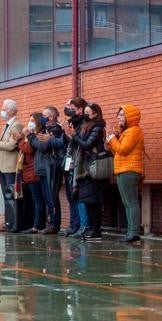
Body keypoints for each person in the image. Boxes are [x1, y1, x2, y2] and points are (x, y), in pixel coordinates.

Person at [107, 105, 145, 244]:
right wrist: (112, 140)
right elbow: (117, 151)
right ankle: (131, 232)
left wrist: (112, 139)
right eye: (119, 115)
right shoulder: (128, 132)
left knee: (131, 202)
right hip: (124, 169)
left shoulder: (133, 131)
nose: (119, 117)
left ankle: (133, 232)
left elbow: (123, 150)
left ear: (130, 117)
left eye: (122, 115)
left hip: (129, 170)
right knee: (127, 202)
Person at [72, 103, 108, 242]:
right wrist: (73, 136)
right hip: (85, 167)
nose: (86, 115)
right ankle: (92, 228)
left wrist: (74, 136)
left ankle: (96, 229)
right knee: (88, 200)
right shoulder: (84, 126)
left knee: (94, 201)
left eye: (88, 112)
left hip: (93, 167)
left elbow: (87, 144)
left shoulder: (98, 127)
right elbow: (79, 143)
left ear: (95, 113)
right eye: (85, 112)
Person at [0, 99, 22, 232]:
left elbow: (11, 145)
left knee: (12, 196)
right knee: (6, 196)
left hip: (10, 166)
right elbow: (2, 144)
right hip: (2, 165)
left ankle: (14, 223)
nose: (2, 111)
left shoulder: (16, 125)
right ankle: (8, 222)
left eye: (4, 108)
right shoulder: (5, 125)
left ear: (12, 111)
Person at [35, 107, 67, 235]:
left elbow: (43, 146)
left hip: (52, 167)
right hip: (44, 167)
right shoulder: (44, 130)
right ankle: (51, 223)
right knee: (47, 197)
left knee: (51, 196)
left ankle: (54, 223)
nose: (42, 117)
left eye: (44, 115)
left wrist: (32, 137)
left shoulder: (56, 130)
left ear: (51, 117)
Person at [61, 98, 89, 236]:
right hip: (69, 160)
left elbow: (81, 142)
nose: (68, 108)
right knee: (70, 195)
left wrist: (72, 135)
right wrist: (65, 134)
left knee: (76, 194)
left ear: (79, 109)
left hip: (78, 162)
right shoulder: (72, 123)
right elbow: (67, 142)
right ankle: (74, 224)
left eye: (71, 106)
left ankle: (80, 225)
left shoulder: (83, 123)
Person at [18, 114, 49, 234]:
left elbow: (28, 149)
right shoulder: (31, 136)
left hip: (34, 171)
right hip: (29, 171)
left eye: (32, 120)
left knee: (38, 200)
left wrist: (20, 141)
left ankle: (37, 225)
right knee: (35, 200)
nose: (29, 122)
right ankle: (35, 223)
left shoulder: (35, 135)